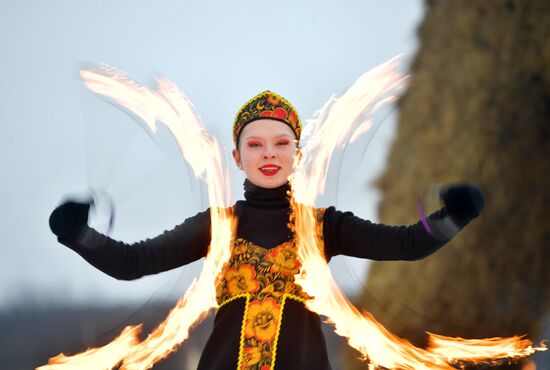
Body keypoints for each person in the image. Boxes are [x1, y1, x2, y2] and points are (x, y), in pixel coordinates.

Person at [49, 90, 485, 370]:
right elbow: (132, 263)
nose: (269, 154)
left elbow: (408, 245)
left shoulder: (322, 226)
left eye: (281, 143)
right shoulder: (218, 226)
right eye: (254, 144)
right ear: (237, 157)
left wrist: (455, 216)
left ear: (299, 153)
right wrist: (76, 233)